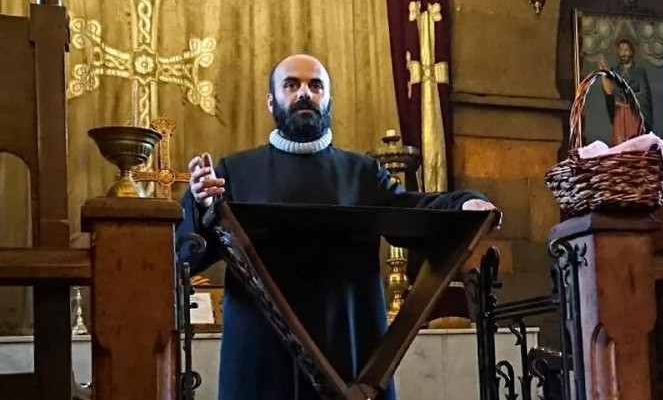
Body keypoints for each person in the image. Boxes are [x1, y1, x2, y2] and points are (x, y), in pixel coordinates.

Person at [176, 54, 499, 400]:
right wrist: (200, 204)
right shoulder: (234, 172)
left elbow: (412, 209)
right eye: (291, 85)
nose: (304, 93)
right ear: (271, 101)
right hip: (260, 359)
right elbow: (186, 255)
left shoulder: (362, 173)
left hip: (347, 353)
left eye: (316, 86)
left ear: (329, 100)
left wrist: (464, 204)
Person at [598, 38, 653, 145]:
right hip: (619, 114)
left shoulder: (639, 71)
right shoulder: (614, 71)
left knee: (634, 144)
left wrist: (629, 98)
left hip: (633, 115)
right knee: (620, 143)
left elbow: (644, 94)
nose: (623, 53)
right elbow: (609, 91)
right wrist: (604, 71)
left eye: (626, 50)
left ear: (631, 52)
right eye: (621, 50)